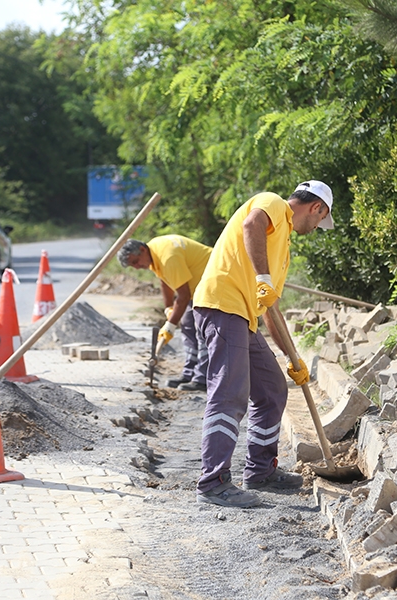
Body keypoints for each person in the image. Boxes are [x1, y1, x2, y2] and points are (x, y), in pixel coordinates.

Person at [192, 180, 334, 508]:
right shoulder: (272, 204)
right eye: (319, 220)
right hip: (222, 305)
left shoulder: (281, 248)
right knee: (230, 393)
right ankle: (213, 482)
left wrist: (293, 357)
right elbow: (251, 224)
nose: (316, 228)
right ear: (317, 208)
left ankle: (260, 471)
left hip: (244, 316)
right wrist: (263, 279)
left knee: (272, 388)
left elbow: (270, 306)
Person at [118, 235, 212, 391]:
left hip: (215, 283)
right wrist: (168, 307)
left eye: (135, 262)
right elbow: (165, 281)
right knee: (187, 324)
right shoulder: (154, 251)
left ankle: (202, 378)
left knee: (202, 327)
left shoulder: (167, 256)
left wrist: (170, 325)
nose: (137, 267)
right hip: (198, 288)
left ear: (142, 250)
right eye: (132, 266)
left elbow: (183, 295)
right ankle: (190, 374)